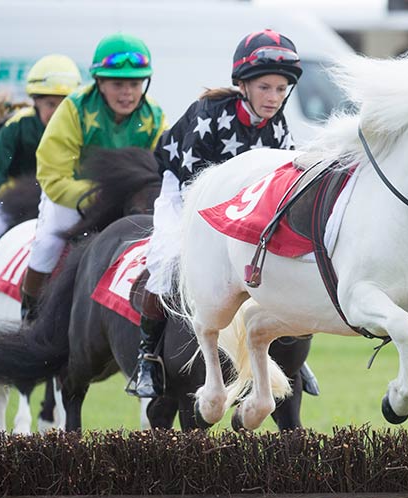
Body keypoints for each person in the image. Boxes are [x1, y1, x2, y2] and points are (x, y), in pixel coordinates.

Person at [129, 29, 303, 397]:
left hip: (237, 206)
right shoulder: (209, 114)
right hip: (183, 192)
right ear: (243, 85)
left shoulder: (280, 127)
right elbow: (196, 189)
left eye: (281, 89)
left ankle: (292, 359)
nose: (274, 98)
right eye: (265, 88)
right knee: (166, 260)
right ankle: (148, 358)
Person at [21, 33, 167, 322]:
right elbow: (53, 176)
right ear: (99, 82)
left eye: (135, 84)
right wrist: (96, 197)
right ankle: (30, 313)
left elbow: (163, 170)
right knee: (49, 240)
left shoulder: (155, 116)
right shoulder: (73, 110)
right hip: (74, 196)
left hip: (130, 200)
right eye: (118, 84)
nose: (127, 93)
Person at [0, 55, 82, 304]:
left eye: (64, 104)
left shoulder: (79, 129)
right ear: (35, 102)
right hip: (16, 203)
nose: (57, 111)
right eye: (50, 104)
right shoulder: (14, 127)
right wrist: (19, 199)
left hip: (60, 201)